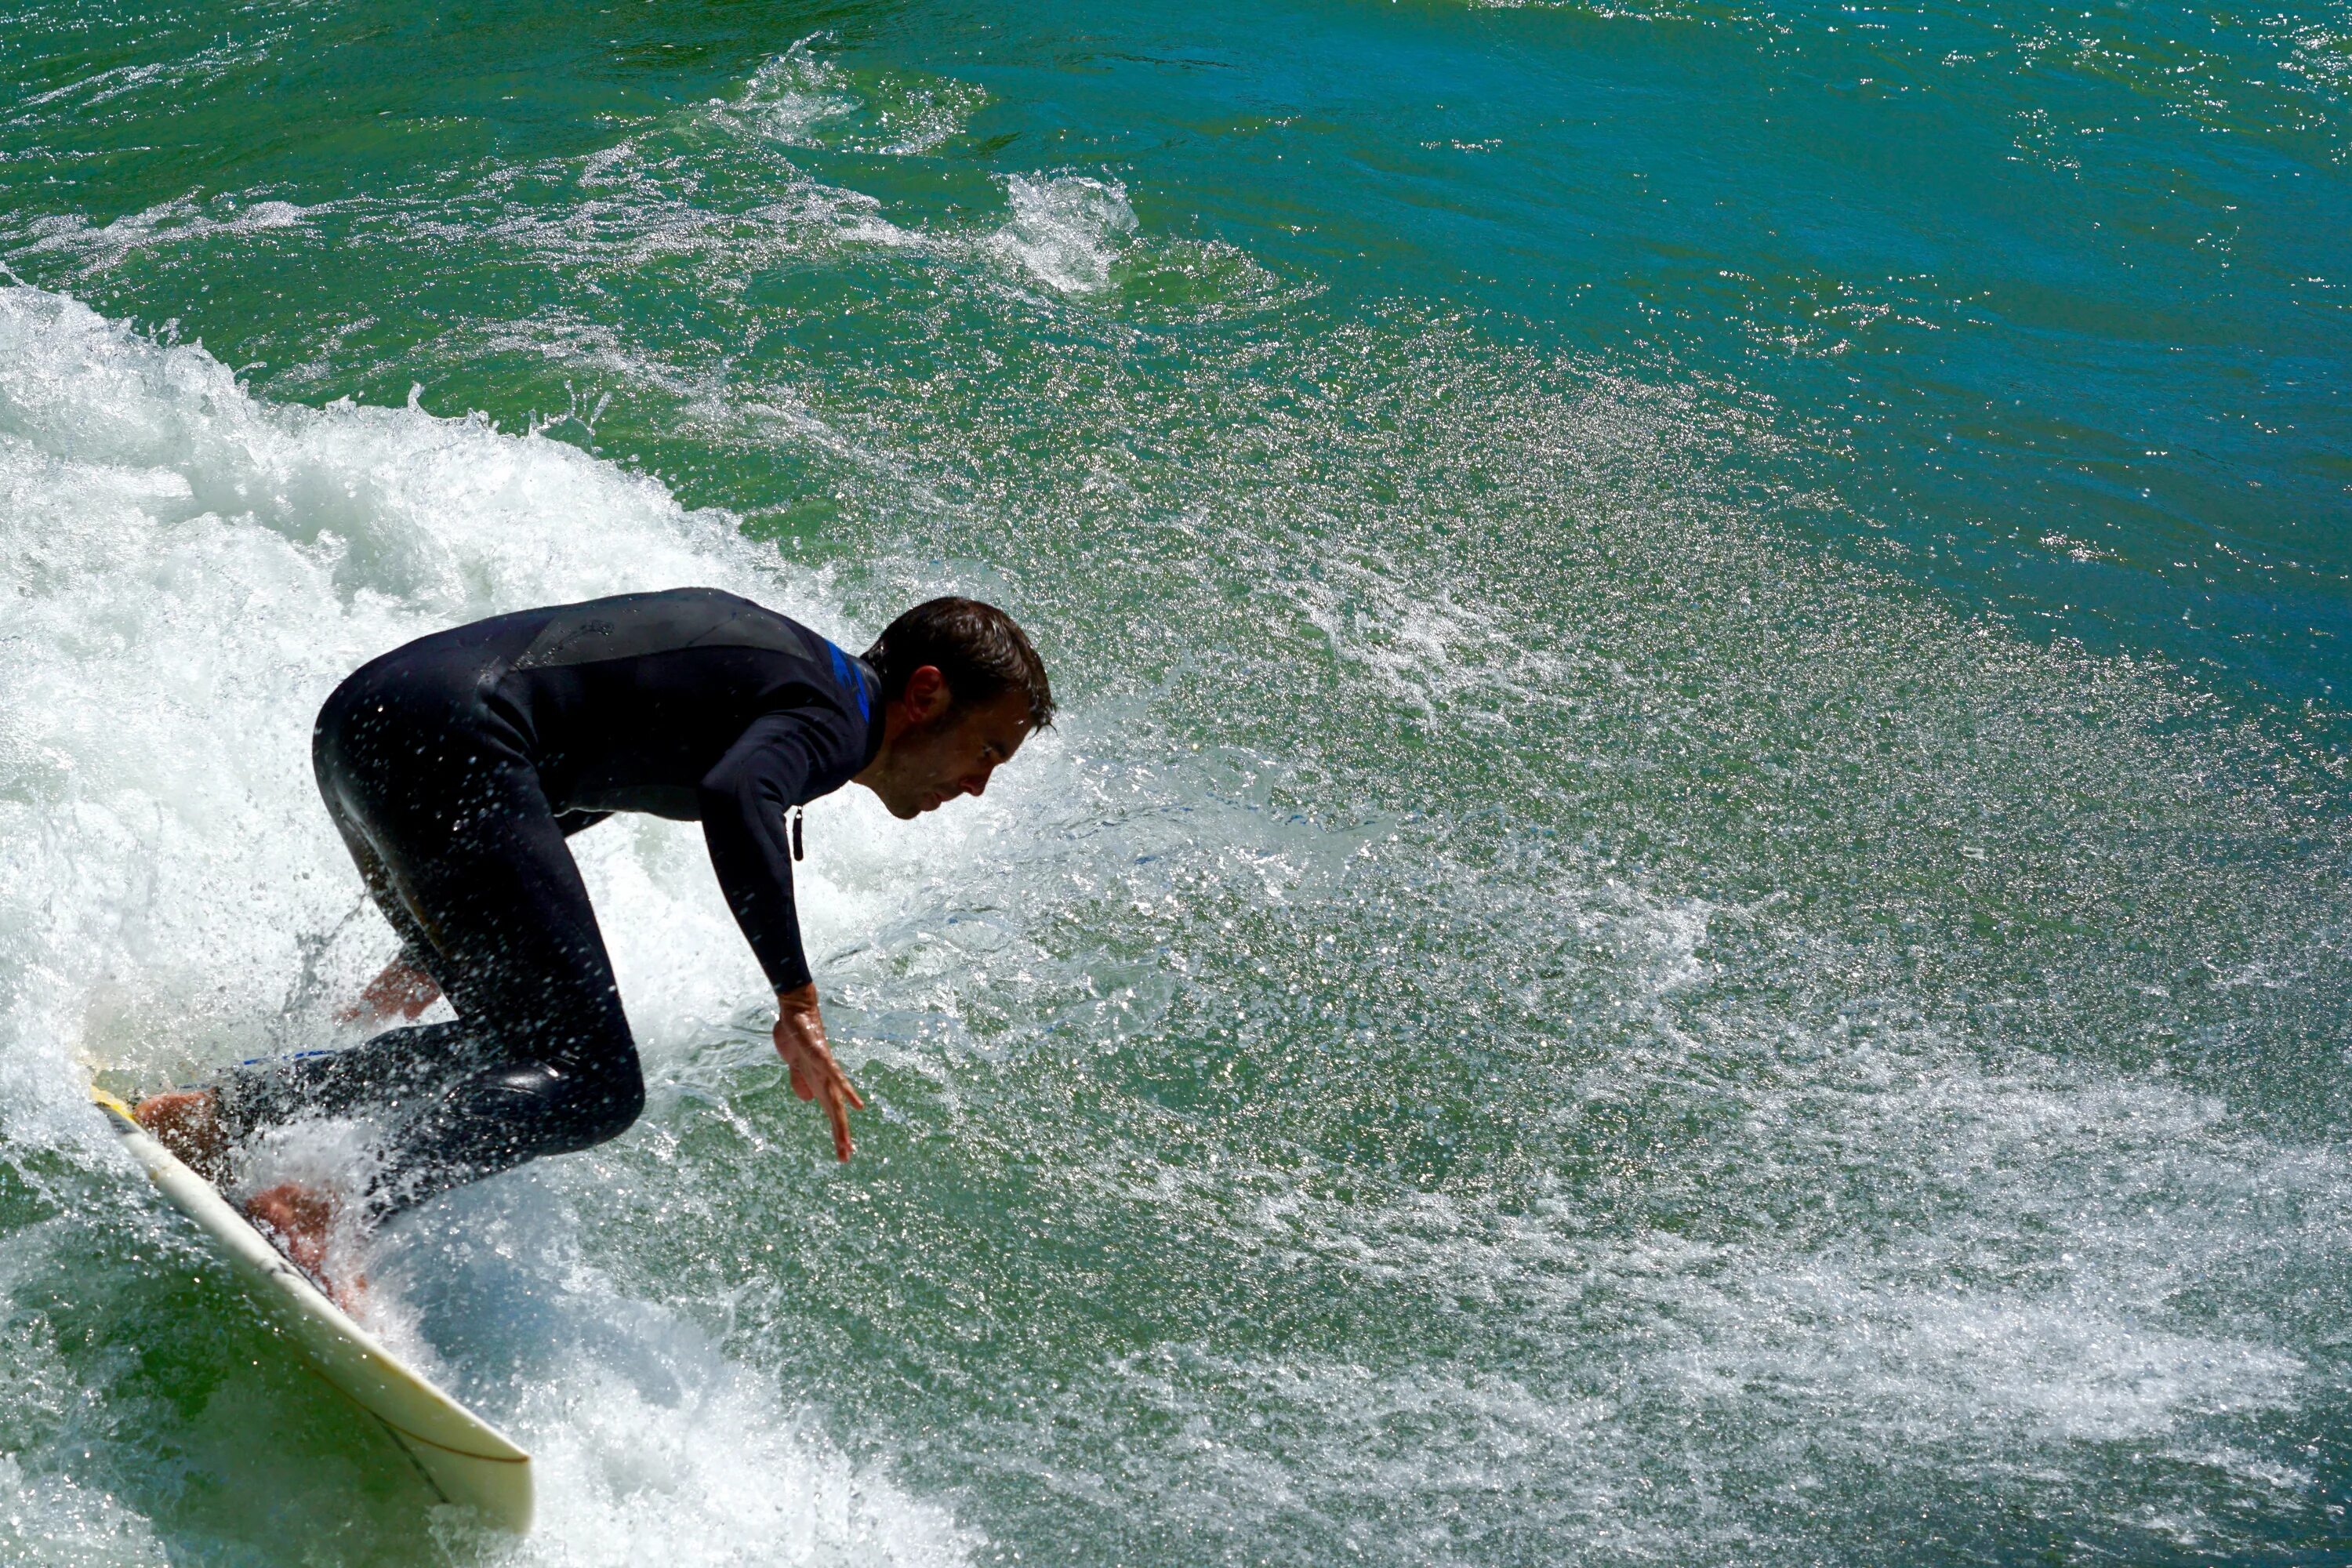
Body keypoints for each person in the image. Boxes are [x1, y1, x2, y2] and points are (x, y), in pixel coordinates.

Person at [132, 589, 1051, 1294]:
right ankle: (321, 1206)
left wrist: (430, 944)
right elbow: (739, 797)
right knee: (599, 1084)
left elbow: (597, 759)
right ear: (927, 693)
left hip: (371, 724)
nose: (976, 786)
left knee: (522, 1046)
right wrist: (797, 1001)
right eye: (987, 753)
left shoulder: (789, 675)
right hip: (453, 742)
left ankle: (218, 1114)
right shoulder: (834, 713)